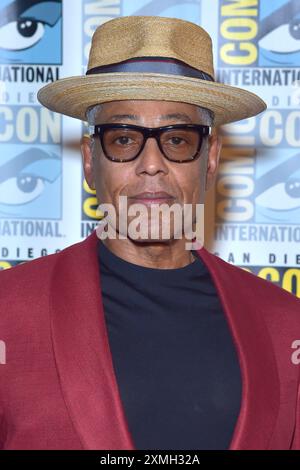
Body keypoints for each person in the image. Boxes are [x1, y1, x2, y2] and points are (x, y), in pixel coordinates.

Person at [0, 15, 299, 451]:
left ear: (210, 158)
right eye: (123, 139)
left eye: (177, 139)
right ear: (89, 160)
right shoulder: (8, 311)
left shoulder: (286, 324)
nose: (152, 163)